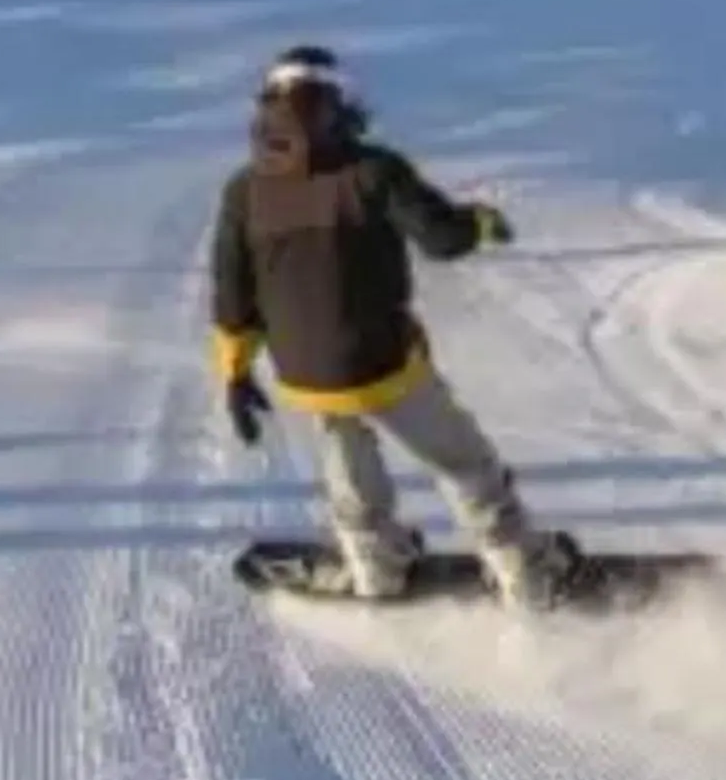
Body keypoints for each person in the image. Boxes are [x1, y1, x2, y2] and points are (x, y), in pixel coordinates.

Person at [209, 44, 568, 606]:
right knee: (463, 460)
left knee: (344, 450)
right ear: (340, 104)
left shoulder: (244, 190)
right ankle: (523, 569)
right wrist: (481, 222)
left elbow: (232, 290)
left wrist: (234, 371)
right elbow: (442, 238)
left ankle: (375, 565)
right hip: (380, 360)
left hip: (305, 370)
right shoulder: (372, 171)